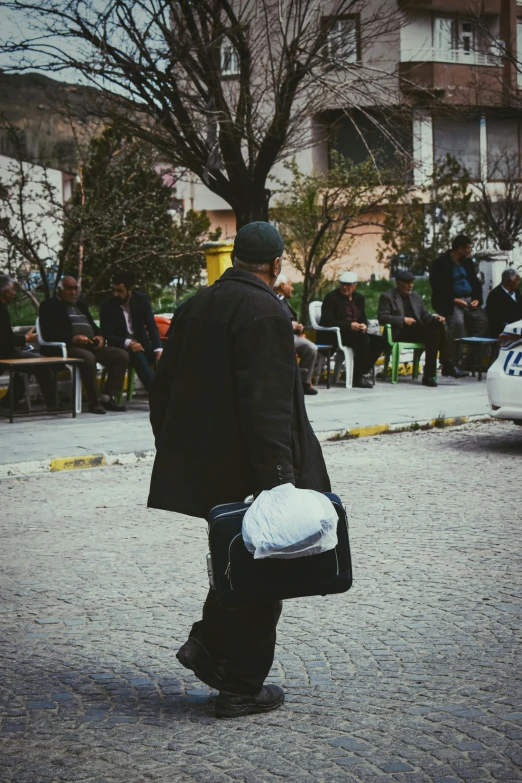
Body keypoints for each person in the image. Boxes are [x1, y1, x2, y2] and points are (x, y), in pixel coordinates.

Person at [147, 221, 331, 719]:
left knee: (239, 560)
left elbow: (160, 390)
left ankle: (208, 645)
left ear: (234, 260)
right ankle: (242, 686)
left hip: (209, 470)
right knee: (267, 573)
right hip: (255, 470)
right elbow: (267, 405)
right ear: (275, 265)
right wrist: (279, 480)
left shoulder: (195, 306)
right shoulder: (266, 311)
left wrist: (178, 452)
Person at [39, 276, 128, 414]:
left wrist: (100, 337)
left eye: (76, 289)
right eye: (70, 289)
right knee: (88, 358)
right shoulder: (49, 306)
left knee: (121, 355)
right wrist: (73, 339)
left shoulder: (81, 305)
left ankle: (106, 397)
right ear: (59, 291)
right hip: (68, 347)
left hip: (91, 345)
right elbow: (48, 334)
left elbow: (93, 326)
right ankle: (94, 401)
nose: (74, 292)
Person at [378, 270, 465, 387]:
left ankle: (433, 373)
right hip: (399, 331)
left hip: (417, 331)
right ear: (398, 283)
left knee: (437, 327)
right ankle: (445, 366)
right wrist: (403, 320)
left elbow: (425, 315)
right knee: (433, 333)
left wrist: (435, 318)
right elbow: (382, 317)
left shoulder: (416, 297)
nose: (410, 285)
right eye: (407, 283)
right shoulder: (387, 297)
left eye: (412, 282)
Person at [321, 271, 387, 388]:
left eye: (348, 284)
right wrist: (349, 325)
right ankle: (357, 378)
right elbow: (326, 320)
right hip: (339, 334)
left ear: (355, 285)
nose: (344, 287)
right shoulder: (331, 298)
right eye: (342, 284)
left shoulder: (359, 298)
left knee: (380, 341)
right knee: (363, 339)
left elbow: (363, 317)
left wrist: (364, 325)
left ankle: (356, 374)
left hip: (356, 333)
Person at [430, 234, 488, 367]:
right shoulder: (441, 263)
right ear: (460, 249)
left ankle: (472, 359)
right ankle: (454, 361)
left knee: (482, 321)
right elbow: (437, 287)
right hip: (451, 302)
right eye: (468, 248)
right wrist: (453, 299)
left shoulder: (467, 263)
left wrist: (477, 299)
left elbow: (475, 283)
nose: (469, 251)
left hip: (468, 300)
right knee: (457, 324)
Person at [0, 275, 56, 410]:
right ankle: (53, 406)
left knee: (26, 360)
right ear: (6, 292)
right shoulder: (1, 309)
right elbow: (4, 340)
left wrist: (20, 341)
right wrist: (26, 338)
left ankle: (11, 400)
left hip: (6, 352)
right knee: (43, 364)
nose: (14, 294)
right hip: (4, 354)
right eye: (13, 290)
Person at [100, 272, 163, 393]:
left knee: (163, 357)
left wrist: (158, 349)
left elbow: (151, 326)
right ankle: (157, 394)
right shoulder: (107, 305)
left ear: (129, 290)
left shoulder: (141, 299)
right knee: (138, 357)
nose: (115, 294)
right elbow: (107, 334)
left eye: (119, 291)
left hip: (142, 342)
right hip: (121, 346)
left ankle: (170, 391)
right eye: (113, 290)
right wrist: (129, 343)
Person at [274, 274, 322, 395]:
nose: (292, 289)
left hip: (291, 335)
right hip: (280, 336)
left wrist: (298, 327)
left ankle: (304, 383)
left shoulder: (283, 300)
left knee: (311, 348)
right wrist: (289, 325)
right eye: (290, 285)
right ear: (282, 285)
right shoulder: (274, 300)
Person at [486, 268, 522, 339]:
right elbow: (497, 317)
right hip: (504, 329)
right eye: (516, 280)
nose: (518, 282)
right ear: (509, 281)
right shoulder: (495, 295)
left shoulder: (516, 293)